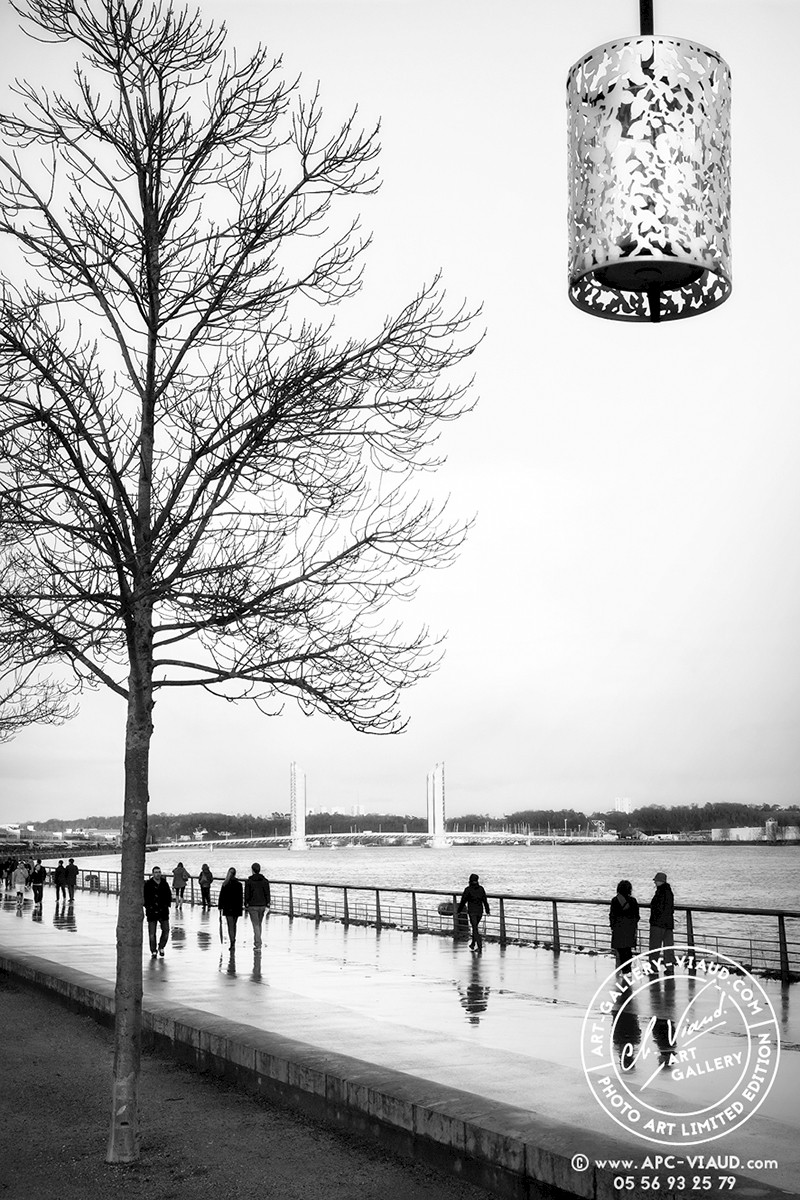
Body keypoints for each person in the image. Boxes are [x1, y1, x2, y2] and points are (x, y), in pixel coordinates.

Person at [609, 879, 640, 971]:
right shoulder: (633, 901)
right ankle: (628, 968)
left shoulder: (615, 900)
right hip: (630, 929)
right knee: (628, 949)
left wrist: (613, 926)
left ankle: (624, 969)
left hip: (618, 928)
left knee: (621, 950)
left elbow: (612, 915)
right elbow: (637, 916)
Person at [143, 865, 172, 958]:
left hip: (163, 911)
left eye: (159, 872)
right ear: (152, 874)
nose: (158, 874)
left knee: (166, 930)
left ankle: (161, 947)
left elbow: (168, 894)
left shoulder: (164, 883)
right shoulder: (148, 884)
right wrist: (148, 906)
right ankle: (153, 950)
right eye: (156, 872)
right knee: (152, 933)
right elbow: (145, 896)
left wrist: (167, 904)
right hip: (152, 911)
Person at [649, 870, 675, 972]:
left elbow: (657, 907)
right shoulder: (669, 892)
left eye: (656, 881)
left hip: (658, 923)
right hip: (668, 923)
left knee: (655, 947)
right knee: (668, 947)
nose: (654, 883)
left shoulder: (660, 893)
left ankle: (653, 967)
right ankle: (670, 967)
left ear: (661, 881)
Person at [458, 872, 490, 952]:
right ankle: (473, 943)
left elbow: (463, 901)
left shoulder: (468, 890)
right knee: (475, 927)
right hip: (480, 911)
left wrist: (458, 910)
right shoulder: (481, 889)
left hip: (472, 912)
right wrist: (487, 910)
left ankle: (479, 947)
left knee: (475, 928)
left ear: (469, 880)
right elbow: (485, 900)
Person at [244, 863, 271, 949]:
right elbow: (267, 893)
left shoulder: (249, 882)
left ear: (252, 870)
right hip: (262, 905)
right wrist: (268, 903)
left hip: (252, 905)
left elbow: (247, 894)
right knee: (259, 924)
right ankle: (258, 940)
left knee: (255, 924)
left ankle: (258, 943)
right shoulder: (265, 881)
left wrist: (246, 903)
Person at [218, 867, 243, 947]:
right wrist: (241, 907)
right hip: (236, 907)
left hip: (228, 907)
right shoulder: (239, 884)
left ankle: (232, 941)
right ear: (235, 874)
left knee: (230, 925)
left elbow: (221, 897)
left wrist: (220, 906)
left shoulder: (225, 884)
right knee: (234, 924)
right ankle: (233, 939)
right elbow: (240, 897)